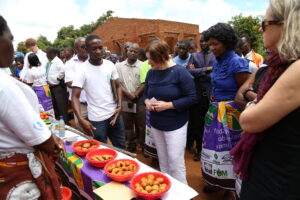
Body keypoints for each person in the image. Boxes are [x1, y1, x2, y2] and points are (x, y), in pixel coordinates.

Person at [230, 1, 300, 199]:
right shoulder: (276, 66)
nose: (261, 29)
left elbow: (249, 121)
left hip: (280, 176)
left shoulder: (296, 68)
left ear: (285, 25)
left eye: (264, 23)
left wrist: (252, 104)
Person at [0, 15, 62, 200]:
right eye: (10, 39)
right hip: (19, 174)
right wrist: (54, 144)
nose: (12, 46)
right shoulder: (5, 86)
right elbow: (41, 139)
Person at [200, 23, 250, 199]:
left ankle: (229, 186)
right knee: (213, 148)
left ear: (227, 43)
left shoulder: (237, 62)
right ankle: (215, 181)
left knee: (229, 150)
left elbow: (243, 93)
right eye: (210, 43)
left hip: (231, 115)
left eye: (215, 44)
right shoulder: (217, 60)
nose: (211, 47)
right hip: (214, 111)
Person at [144, 40, 197, 184]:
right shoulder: (151, 73)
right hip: (156, 123)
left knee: (175, 162)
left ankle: (184, 194)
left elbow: (192, 98)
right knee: (163, 161)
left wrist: (168, 105)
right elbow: (145, 93)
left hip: (175, 124)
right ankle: (167, 190)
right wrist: (147, 102)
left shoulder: (180, 72)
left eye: (151, 59)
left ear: (161, 56)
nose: (148, 62)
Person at [72, 35, 126, 149]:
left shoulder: (110, 65)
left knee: (121, 146)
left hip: (114, 115)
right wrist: (81, 119)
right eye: (94, 49)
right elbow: (75, 97)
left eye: (100, 48)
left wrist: (120, 105)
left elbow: (118, 86)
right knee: (102, 149)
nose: (98, 51)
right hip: (97, 119)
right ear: (86, 50)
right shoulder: (82, 70)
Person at [187, 32, 215, 161]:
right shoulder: (194, 56)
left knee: (210, 125)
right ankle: (199, 150)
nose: (203, 43)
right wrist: (206, 69)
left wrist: (198, 71)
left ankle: (210, 150)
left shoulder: (215, 56)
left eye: (205, 41)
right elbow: (189, 72)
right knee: (197, 124)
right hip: (197, 96)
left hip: (210, 96)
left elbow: (215, 74)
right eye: (201, 41)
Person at [116, 43, 145, 153]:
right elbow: (117, 83)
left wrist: (135, 95)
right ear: (127, 51)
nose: (132, 53)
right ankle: (131, 144)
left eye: (135, 51)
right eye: (131, 50)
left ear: (138, 54)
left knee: (142, 125)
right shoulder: (118, 66)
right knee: (128, 125)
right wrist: (128, 95)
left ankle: (142, 145)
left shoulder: (143, 65)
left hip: (140, 100)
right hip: (125, 99)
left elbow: (144, 82)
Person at [65, 37, 88, 132]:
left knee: (98, 132)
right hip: (80, 104)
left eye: (87, 46)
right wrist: (90, 83)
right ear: (76, 49)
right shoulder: (70, 64)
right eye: (83, 47)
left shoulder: (94, 61)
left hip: (95, 103)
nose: (86, 49)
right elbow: (69, 83)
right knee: (82, 130)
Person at [46, 47, 69, 124]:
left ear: (54, 54)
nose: (47, 55)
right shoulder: (51, 62)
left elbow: (63, 70)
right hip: (52, 87)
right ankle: (60, 121)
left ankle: (65, 123)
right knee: (56, 105)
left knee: (61, 106)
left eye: (48, 53)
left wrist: (57, 79)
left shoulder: (57, 61)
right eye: (46, 53)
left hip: (57, 87)